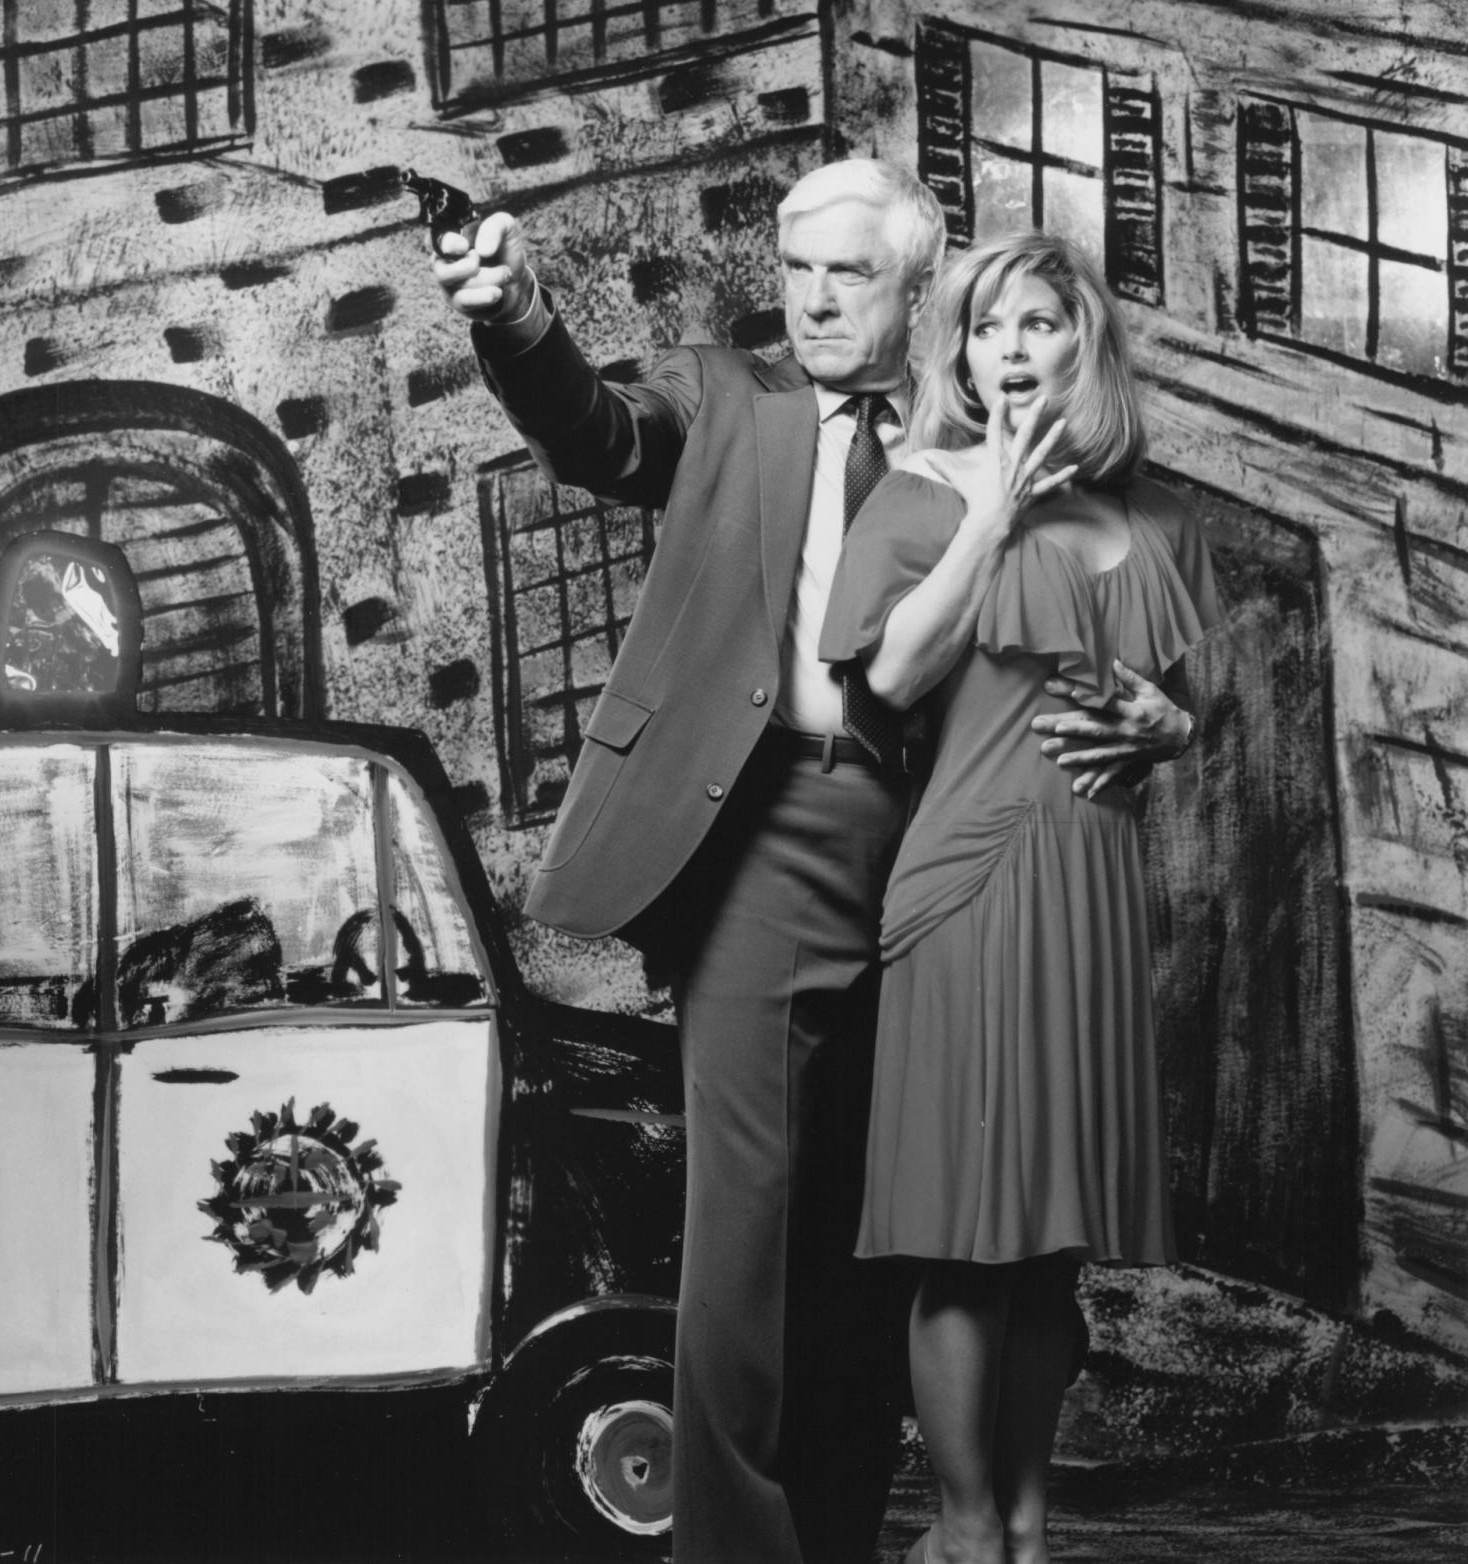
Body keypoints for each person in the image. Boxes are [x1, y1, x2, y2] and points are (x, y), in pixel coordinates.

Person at [431, 167, 1192, 1564]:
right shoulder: (729, 396)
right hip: (771, 822)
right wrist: (516, 317)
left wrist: (1158, 722)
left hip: (953, 845)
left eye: (852, 273)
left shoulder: (976, 426)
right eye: (798, 269)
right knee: (754, 1222)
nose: (816, 299)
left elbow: (1082, 639)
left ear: (921, 287)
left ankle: (849, 1535)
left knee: (895, 1226)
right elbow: (597, 430)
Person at [819, 230, 1222, 1564]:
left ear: (1082, 342)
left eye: (1037, 322)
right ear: (959, 352)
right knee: (966, 1245)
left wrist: (1172, 727)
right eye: (986, 327)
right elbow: (891, 679)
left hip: (1092, 896)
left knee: (1053, 1253)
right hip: (973, 885)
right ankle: (963, 1527)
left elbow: (1181, 705)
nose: (1009, 349)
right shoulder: (922, 495)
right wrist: (995, 508)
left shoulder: (1155, 517)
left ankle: (1031, 1531)